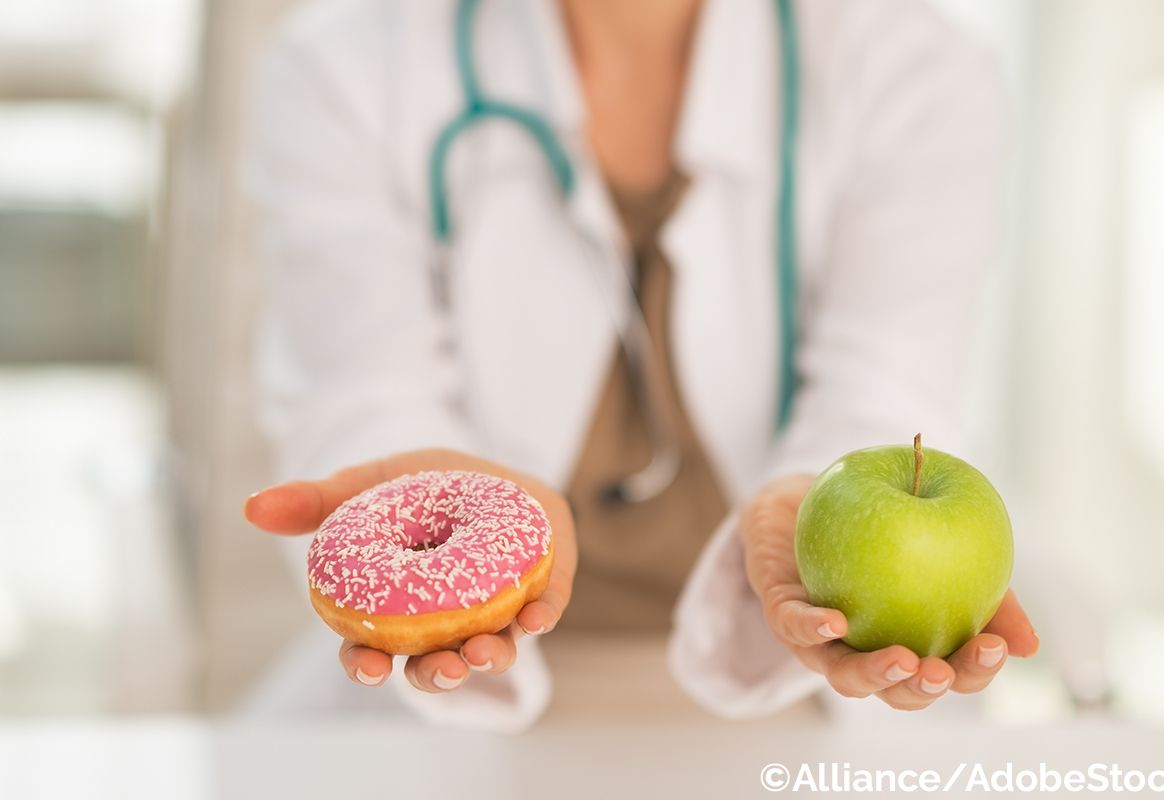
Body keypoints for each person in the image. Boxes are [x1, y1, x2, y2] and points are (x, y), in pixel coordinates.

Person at [242, 0, 1038, 730]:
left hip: (792, 687)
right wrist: (438, 511)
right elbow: (367, 391)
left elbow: (886, 392)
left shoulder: (916, 70)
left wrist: (816, 536)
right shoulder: (344, 64)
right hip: (456, 697)